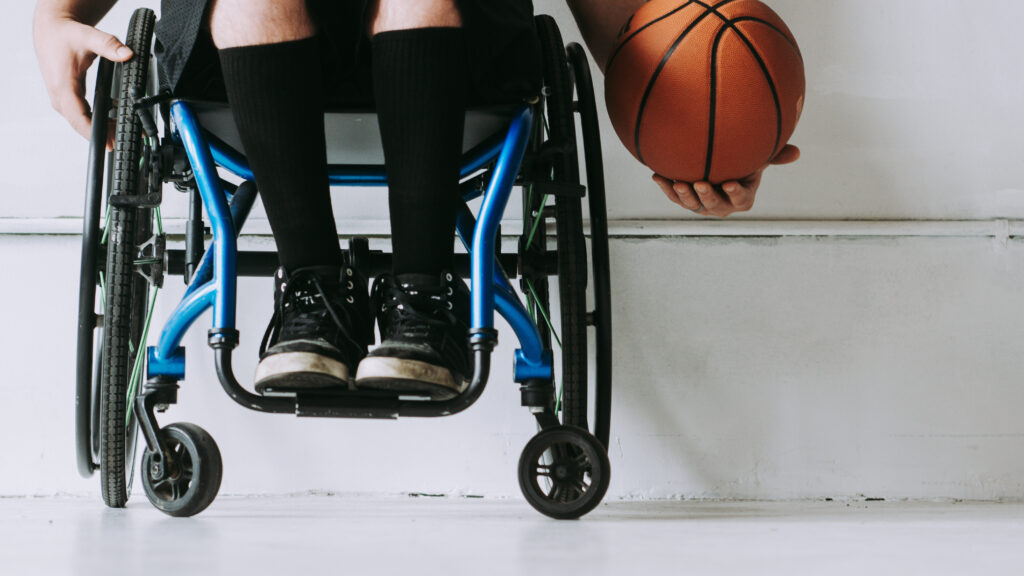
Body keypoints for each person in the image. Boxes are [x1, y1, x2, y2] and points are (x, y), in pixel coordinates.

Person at [34, 0, 797, 399]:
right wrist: (55, 14)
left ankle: (423, 293)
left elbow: (629, 19)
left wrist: (694, 124)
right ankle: (312, 293)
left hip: (453, 41)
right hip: (240, 46)